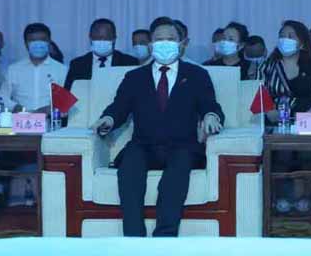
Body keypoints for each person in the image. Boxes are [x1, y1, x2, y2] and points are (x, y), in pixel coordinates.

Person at [91, 17, 224, 237]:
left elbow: (210, 105)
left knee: (175, 176)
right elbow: (119, 107)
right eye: (159, 39)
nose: (165, 43)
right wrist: (108, 120)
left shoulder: (196, 74)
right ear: (151, 45)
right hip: (143, 145)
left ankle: (164, 240)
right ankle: (134, 240)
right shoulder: (134, 77)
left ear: (181, 44)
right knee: (129, 169)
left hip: (182, 146)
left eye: (170, 39)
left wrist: (211, 116)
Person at [261, 20, 311, 213]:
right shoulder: (269, 65)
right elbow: (258, 92)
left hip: (308, 120)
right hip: (276, 120)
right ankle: (279, 197)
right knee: (281, 153)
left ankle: (305, 197)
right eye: (282, 35)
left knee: (309, 152)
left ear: (302, 42)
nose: (285, 39)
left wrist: (309, 116)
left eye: (291, 36)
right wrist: (268, 110)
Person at [0, 23, 68, 114]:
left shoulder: (61, 69)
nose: (38, 45)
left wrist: (49, 109)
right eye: (33, 40)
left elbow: (66, 103)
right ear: (25, 44)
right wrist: (15, 107)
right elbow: (1, 97)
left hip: (51, 119)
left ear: (49, 42)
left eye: (42, 40)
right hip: (21, 119)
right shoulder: (13, 69)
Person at [63, 18, 138, 90]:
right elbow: (67, 93)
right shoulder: (77, 65)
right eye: (97, 38)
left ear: (114, 38)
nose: (102, 41)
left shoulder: (129, 63)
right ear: (90, 38)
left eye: (106, 38)